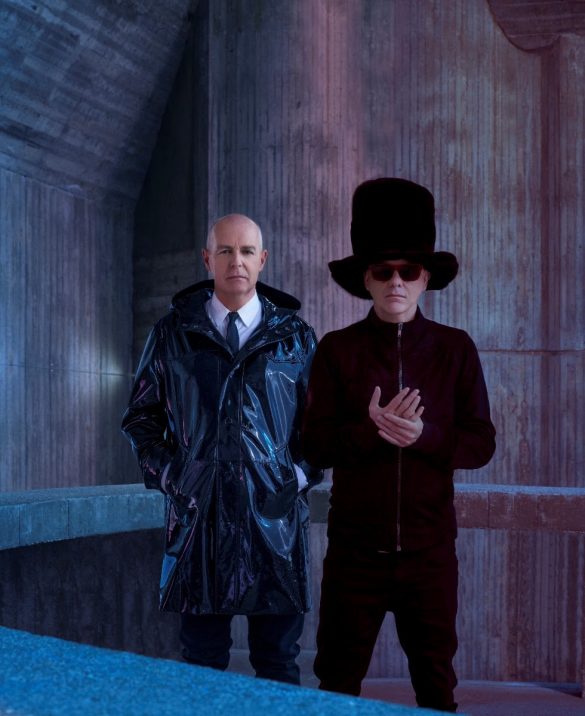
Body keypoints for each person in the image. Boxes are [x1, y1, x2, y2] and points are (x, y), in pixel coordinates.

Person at [302, 178, 496, 712]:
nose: (395, 282)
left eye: (408, 271)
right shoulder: (337, 350)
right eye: (383, 270)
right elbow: (313, 445)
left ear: (425, 277)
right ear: (365, 278)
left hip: (430, 556)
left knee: (436, 688)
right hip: (354, 555)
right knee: (336, 685)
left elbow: (481, 443)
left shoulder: (455, 350)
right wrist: (369, 433)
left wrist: (422, 436)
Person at [121, 213, 322, 684]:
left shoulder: (295, 337)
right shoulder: (172, 333)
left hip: (274, 525)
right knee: (201, 663)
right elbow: (141, 420)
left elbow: (320, 427)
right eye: (226, 251)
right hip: (200, 523)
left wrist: (294, 477)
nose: (237, 262)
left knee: (278, 662)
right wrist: (177, 476)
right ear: (207, 259)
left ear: (262, 259)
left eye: (247, 251)